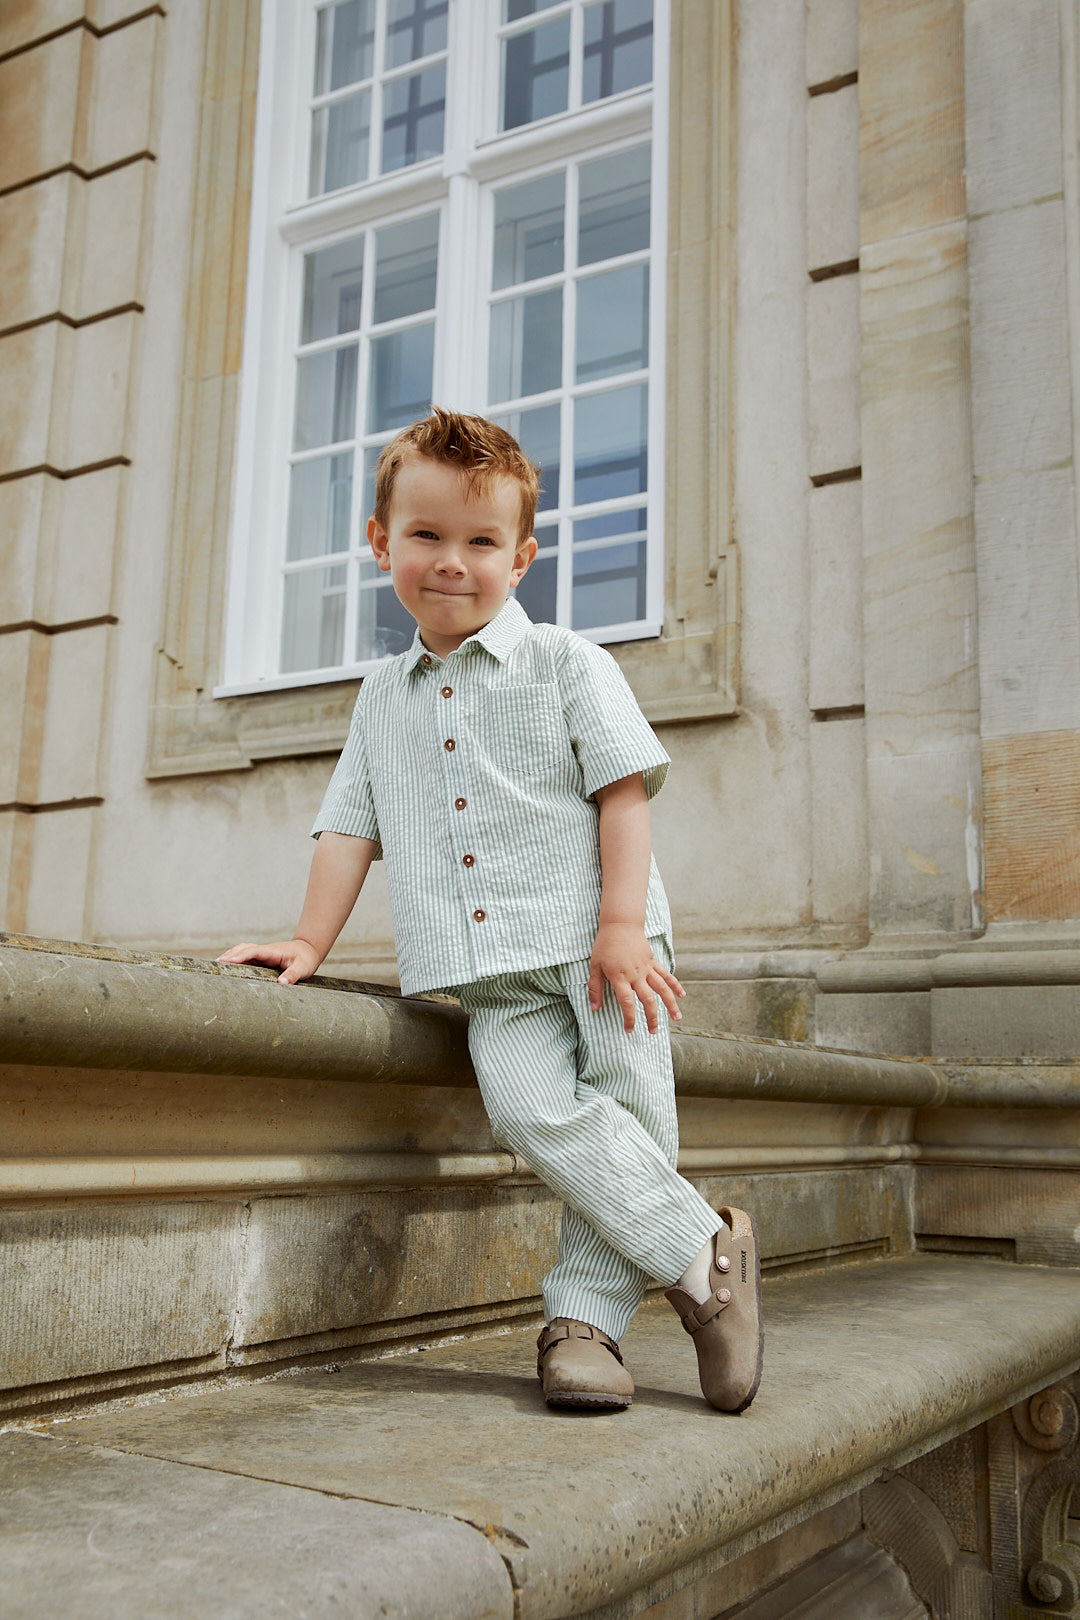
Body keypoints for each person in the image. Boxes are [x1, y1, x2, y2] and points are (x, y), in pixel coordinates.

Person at [219, 408, 763, 1412]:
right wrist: (307, 938)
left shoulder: (567, 661)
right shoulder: (380, 698)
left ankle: (584, 1327)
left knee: (631, 1119)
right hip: (486, 965)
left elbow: (623, 791)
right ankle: (703, 1255)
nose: (451, 562)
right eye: (426, 535)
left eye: (480, 542)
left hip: (605, 941)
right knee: (525, 1106)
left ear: (522, 557)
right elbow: (350, 825)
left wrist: (622, 926)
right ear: (381, 543)